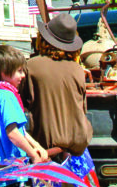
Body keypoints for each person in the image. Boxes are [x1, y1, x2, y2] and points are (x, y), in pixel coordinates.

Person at [21, 14, 93, 159]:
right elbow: (82, 108)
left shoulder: (31, 66)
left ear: (44, 40)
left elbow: (21, 101)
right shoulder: (78, 70)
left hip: (46, 144)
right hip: (78, 141)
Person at [0, 45, 47, 169]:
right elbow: (13, 133)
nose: (23, 75)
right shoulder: (7, 96)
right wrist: (34, 155)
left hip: (1, 166)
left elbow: (19, 130)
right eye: (19, 71)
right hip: (14, 169)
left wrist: (37, 145)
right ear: (4, 71)